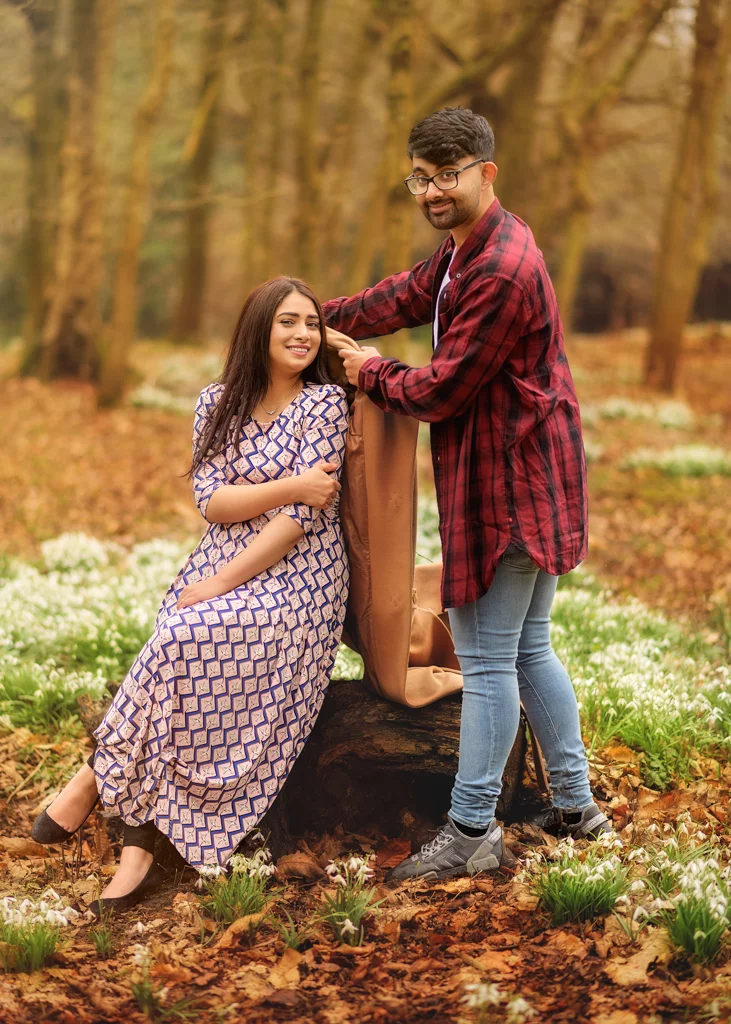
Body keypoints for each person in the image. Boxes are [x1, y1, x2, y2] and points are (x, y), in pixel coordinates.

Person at [324, 107, 611, 882]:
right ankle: (578, 810)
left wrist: (364, 371)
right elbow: (404, 295)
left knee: (487, 659)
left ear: (486, 172)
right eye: (419, 176)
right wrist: (318, 320)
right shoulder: (465, 251)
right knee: (526, 649)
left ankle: (471, 829)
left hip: (511, 485)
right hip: (524, 473)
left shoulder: (500, 269)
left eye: (445, 174)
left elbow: (442, 390)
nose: (430, 190)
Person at [31, 277, 350, 912]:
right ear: (258, 330)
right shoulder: (217, 403)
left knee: (181, 634)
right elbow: (214, 502)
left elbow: (303, 521)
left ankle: (97, 780)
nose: (301, 335)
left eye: (311, 325)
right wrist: (292, 484)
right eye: (287, 322)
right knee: (179, 648)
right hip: (224, 557)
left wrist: (225, 579)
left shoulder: (326, 406)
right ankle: (139, 847)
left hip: (302, 578)